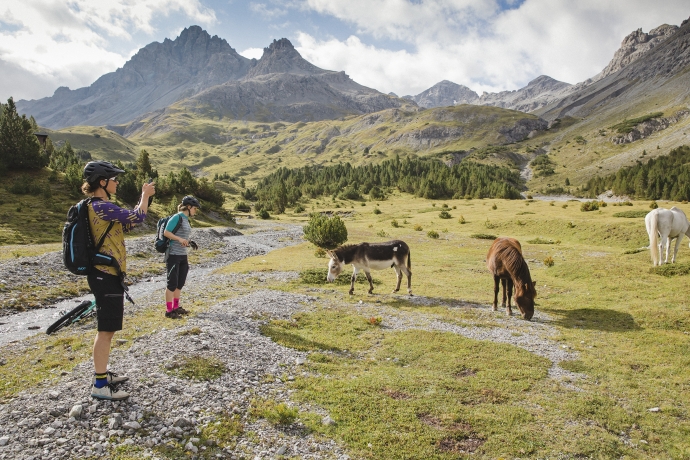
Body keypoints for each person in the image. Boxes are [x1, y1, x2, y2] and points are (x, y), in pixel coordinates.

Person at [82, 161, 155, 400]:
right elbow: (138, 217)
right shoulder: (102, 206)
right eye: (114, 179)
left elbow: (130, 223)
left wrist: (143, 200)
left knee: (108, 328)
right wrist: (144, 195)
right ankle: (100, 385)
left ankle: (102, 375)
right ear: (102, 182)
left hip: (104, 274)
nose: (117, 182)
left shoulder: (98, 207)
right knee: (106, 329)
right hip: (105, 275)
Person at [163, 195, 200, 319]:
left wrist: (189, 242)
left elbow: (182, 235)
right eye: (195, 208)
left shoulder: (186, 219)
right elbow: (166, 232)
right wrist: (179, 239)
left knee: (180, 283)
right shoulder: (177, 217)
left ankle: (176, 307)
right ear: (188, 207)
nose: (196, 211)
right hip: (173, 254)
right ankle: (169, 311)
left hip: (183, 255)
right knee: (172, 284)